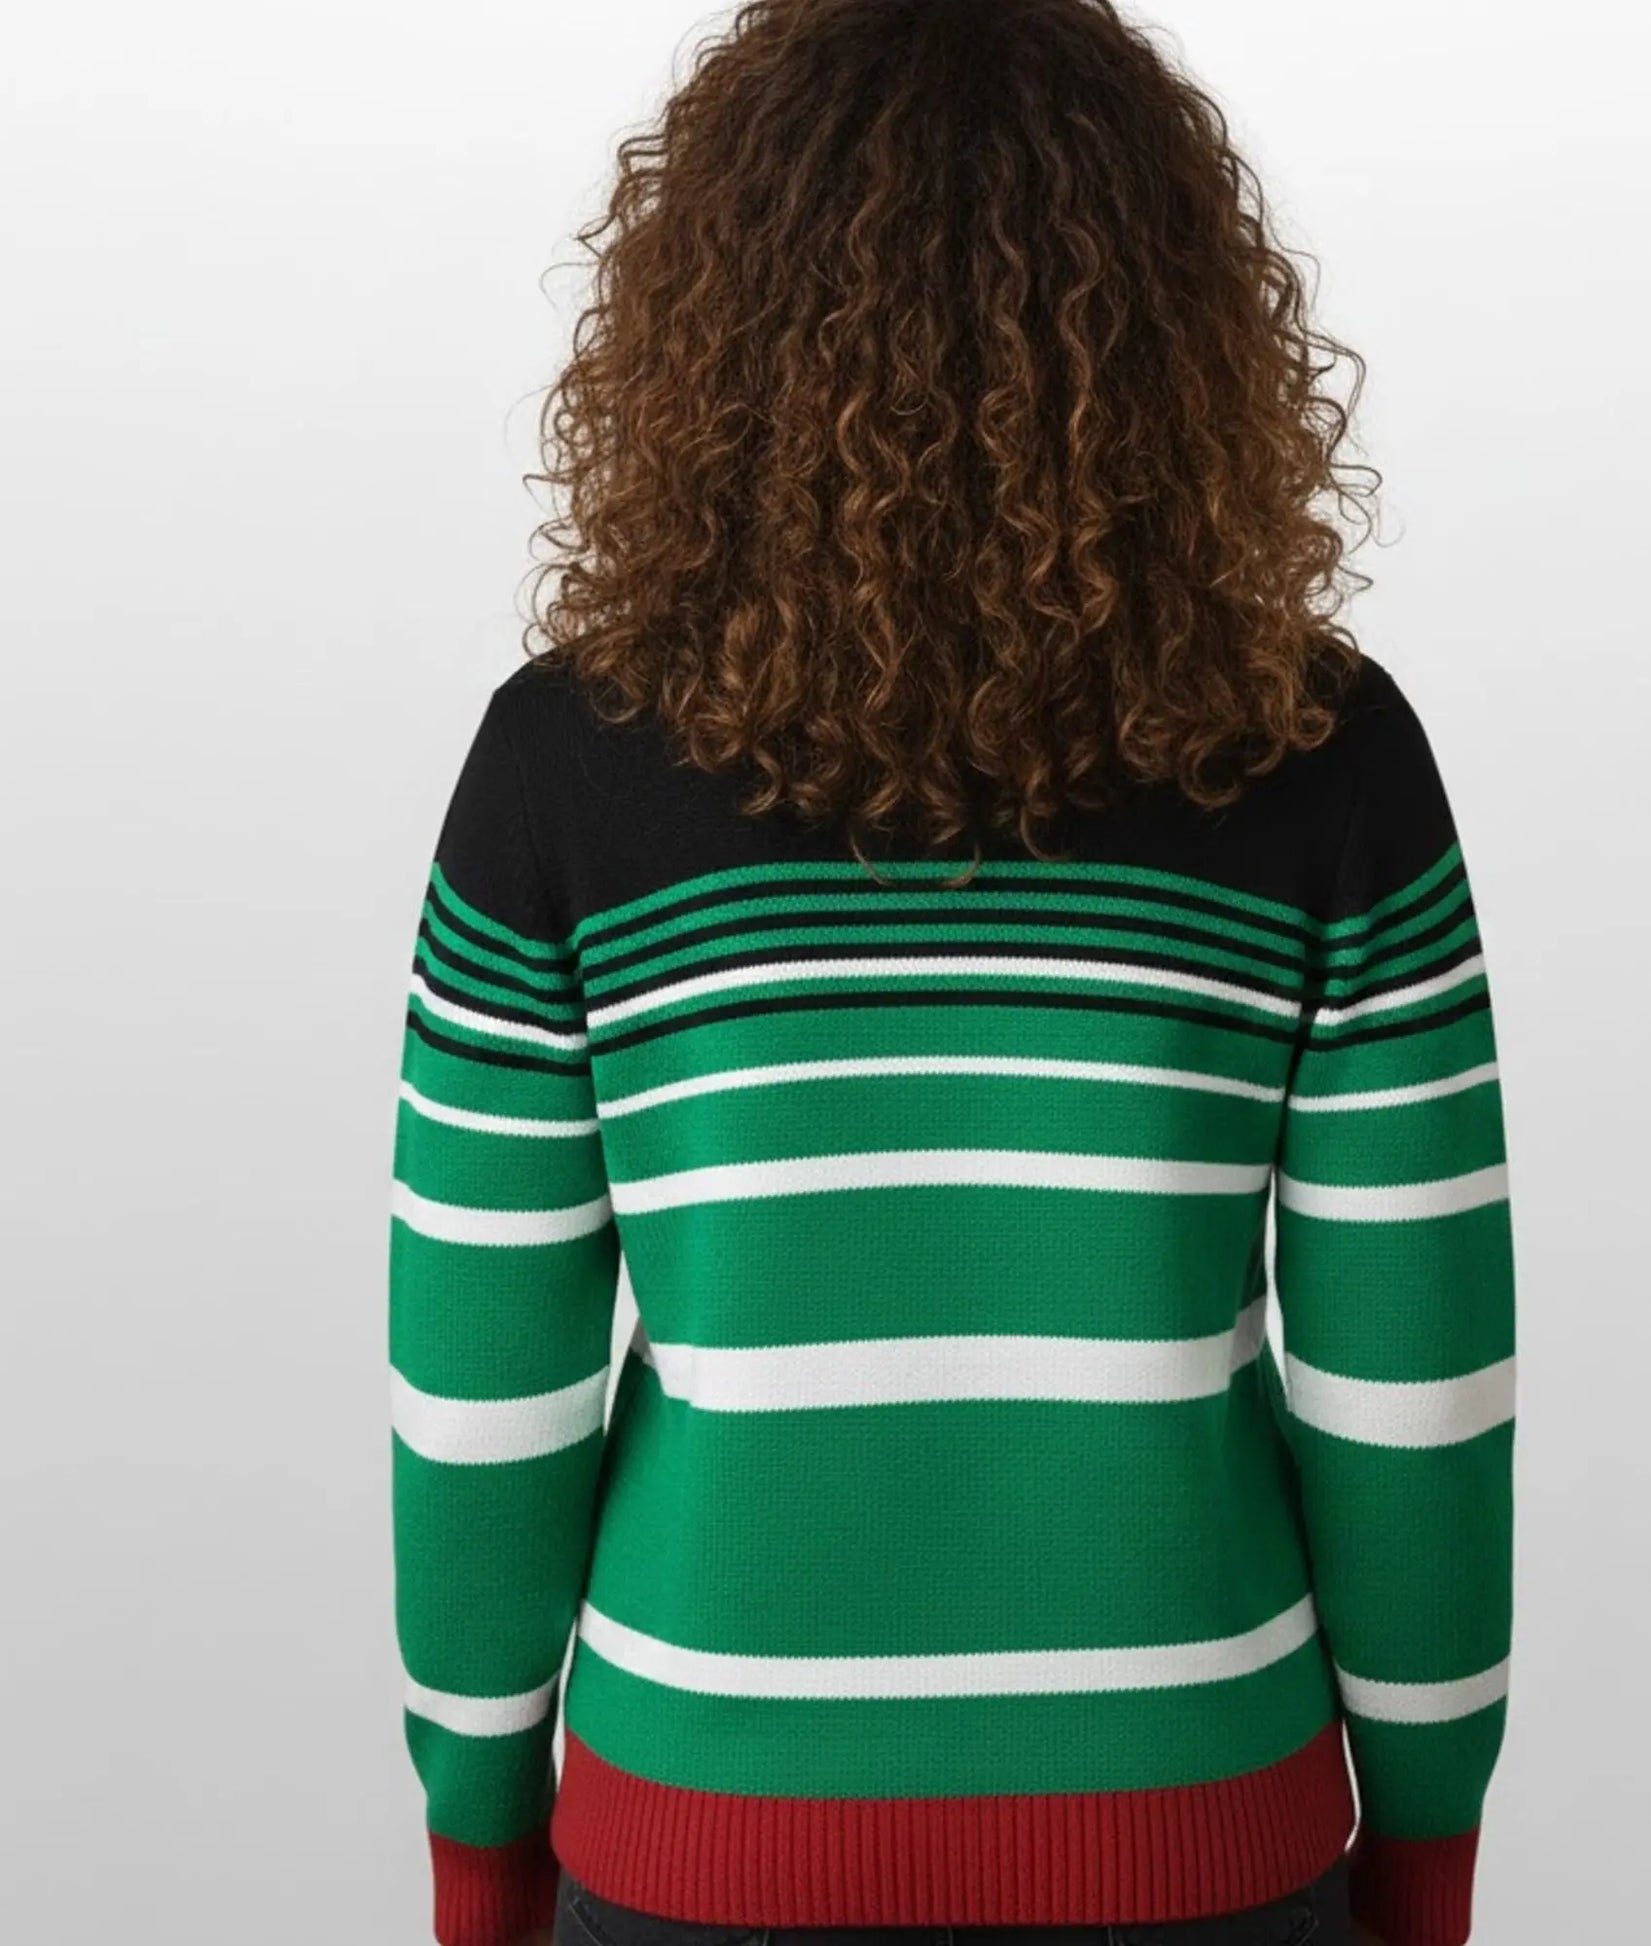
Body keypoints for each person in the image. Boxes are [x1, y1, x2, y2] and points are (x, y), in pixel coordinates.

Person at [385, 3, 1516, 1944]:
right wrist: (1424, 1839)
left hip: (704, 1832)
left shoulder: (561, 767)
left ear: (709, 332)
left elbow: (480, 1395)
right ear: (1176, 330)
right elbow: (1411, 1394)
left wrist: (479, 1840)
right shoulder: (1319, 757)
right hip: (1194, 1830)